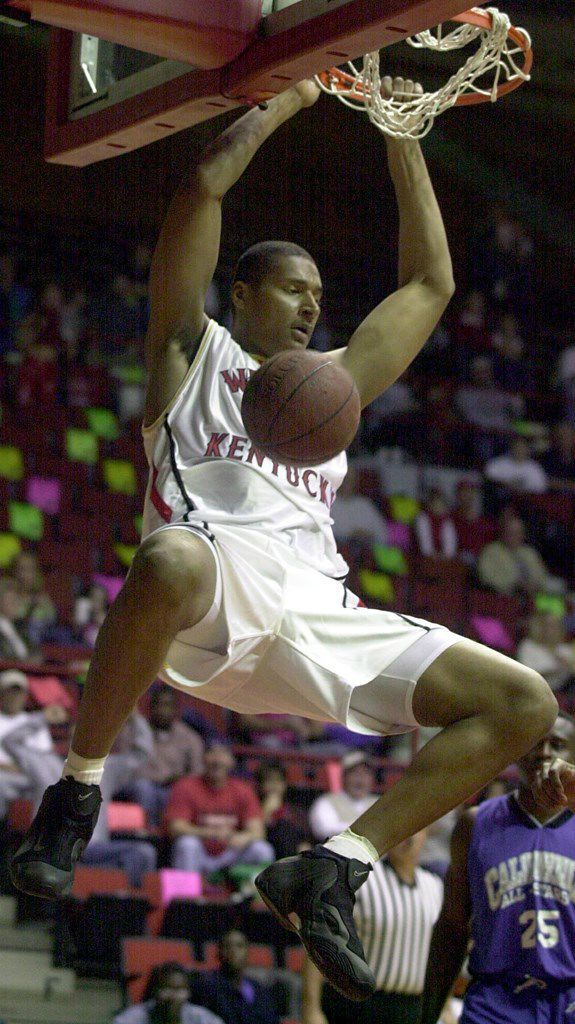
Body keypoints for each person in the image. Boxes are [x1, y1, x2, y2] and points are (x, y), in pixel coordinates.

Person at [11, 78, 557, 1006]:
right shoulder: (191, 353)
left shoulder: (334, 386)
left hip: (317, 612)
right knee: (170, 554)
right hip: (212, 593)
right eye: (293, 289)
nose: (311, 307)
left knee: (523, 702)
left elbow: (430, 284)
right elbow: (200, 193)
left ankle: (335, 866)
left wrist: (400, 131)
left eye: (319, 294)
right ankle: (76, 790)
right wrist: (297, 93)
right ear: (244, 290)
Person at [420, 712, 575, 1024]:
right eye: (534, 742)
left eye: (557, 745)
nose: (544, 753)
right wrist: (428, 1016)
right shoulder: (475, 824)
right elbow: (452, 926)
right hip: (495, 1001)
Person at [302, 830, 446, 1024]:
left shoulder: (435, 886)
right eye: (402, 828)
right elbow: (321, 941)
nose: (406, 835)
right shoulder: (360, 879)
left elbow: (440, 957)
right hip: (358, 1008)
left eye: (415, 828)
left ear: (426, 834)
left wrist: (444, 1008)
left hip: (412, 1009)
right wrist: (311, 1008)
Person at [164, 742, 274, 875]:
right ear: (203, 758)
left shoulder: (243, 790)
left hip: (230, 855)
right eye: (212, 754)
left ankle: (253, 894)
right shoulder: (186, 786)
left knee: (262, 849)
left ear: (231, 762)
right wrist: (211, 833)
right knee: (187, 844)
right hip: (200, 853)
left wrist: (243, 837)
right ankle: (187, 894)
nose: (217, 760)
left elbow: (258, 831)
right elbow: (176, 827)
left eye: (222, 755)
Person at [123, 685, 205, 826]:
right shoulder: (134, 732)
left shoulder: (189, 737)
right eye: (159, 705)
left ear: (176, 709)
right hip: (140, 784)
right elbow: (124, 765)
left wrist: (180, 781)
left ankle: (173, 832)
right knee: (144, 788)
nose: (163, 711)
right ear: (151, 708)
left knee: (180, 791)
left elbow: (197, 773)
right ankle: (148, 832)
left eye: (168, 706)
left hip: (174, 787)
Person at [0, 670, 64, 819]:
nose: (14, 697)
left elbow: (45, 756)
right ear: (2, 694)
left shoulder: (34, 722)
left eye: (18, 692)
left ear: (25, 695)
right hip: (8, 776)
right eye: (10, 692)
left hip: (34, 776)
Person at [191, 929, 280, 1024]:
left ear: (247, 952)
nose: (233, 951)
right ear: (218, 953)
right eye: (227, 946)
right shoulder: (206, 986)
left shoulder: (260, 990)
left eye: (239, 946)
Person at [112, 961, 225, 1024]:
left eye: (179, 989)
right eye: (166, 988)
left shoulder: (202, 1018)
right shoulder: (130, 1019)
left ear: (188, 993)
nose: (173, 996)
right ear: (155, 991)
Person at [476, 513, 557, 597]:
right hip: (506, 599)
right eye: (511, 533)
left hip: (535, 597)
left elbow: (542, 577)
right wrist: (517, 584)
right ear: (503, 533)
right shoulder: (490, 552)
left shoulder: (530, 553)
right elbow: (487, 579)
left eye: (519, 533)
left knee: (559, 606)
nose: (516, 537)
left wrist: (536, 586)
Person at [308, 750, 378, 843]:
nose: (360, 780)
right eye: (355, 773)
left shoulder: (380, 803)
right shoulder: (326, 802)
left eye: (366, 773)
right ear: (343, 777)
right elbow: (325, 830)